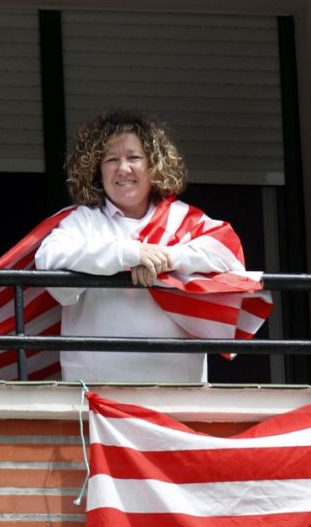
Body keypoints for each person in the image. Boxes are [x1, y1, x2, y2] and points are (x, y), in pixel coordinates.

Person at [34, 109, 251, 383]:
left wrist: (166, 258)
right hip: (96, 397)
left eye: (134, 157)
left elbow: (229, 255)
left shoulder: (184, 219)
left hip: (178, 395)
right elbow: (50, 260)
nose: (123, 168)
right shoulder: (83, 221)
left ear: (154, 165)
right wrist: (129, 254)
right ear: (97, 171)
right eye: (111, 159)